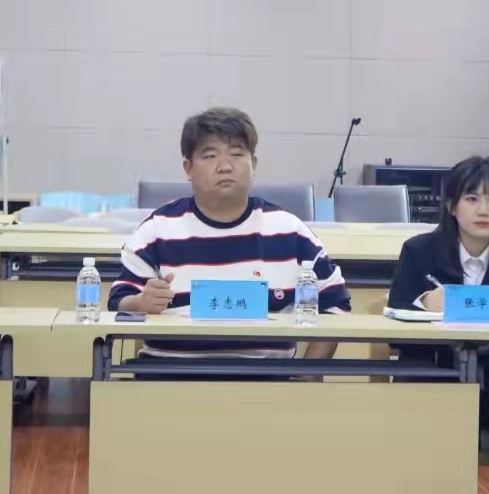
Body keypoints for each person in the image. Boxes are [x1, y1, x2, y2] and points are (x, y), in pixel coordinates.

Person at [107, 107, 350, 361]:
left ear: (253, 165)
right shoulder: (157, 230)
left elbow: (335, 303)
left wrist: (309, 374)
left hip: (267, 379)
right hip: (171, 376)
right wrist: (140, 303)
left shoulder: (289, 231)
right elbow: (118, 301)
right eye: (210, 156)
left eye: (236, 154)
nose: (224, 166)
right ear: (188, 168)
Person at [387, 156, 489, 494]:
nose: (483, 210)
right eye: (472, 199)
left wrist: (485, 346)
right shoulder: (419, 252)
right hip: (433, 378)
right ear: (451, 205)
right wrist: (424, 303)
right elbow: (396, 329)